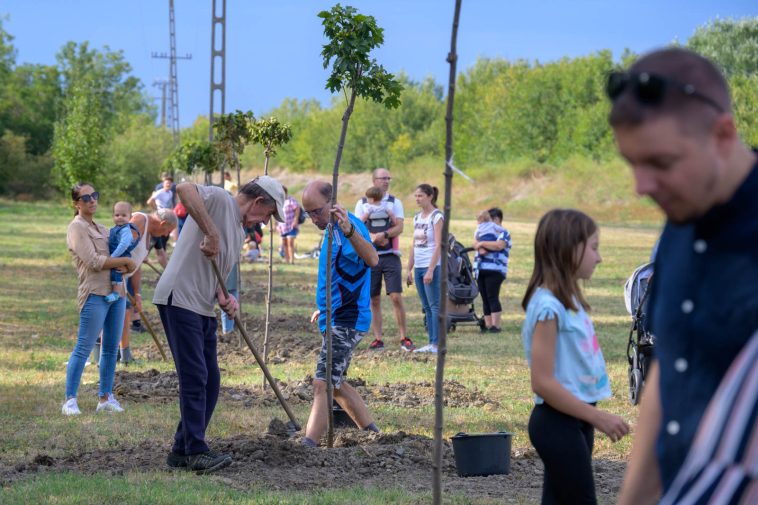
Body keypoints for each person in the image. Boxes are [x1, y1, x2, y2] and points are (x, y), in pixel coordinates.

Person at [608, 48, 758, 505]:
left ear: (723, 134)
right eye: (632, 163)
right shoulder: (680, 226)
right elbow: (667, 377)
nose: (641, 186)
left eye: (661, 163)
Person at [153, 176, 284, 474]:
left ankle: (180, 451)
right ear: (258, 201)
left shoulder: (239, 230)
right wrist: (210, 231)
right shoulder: (222, 200)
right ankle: (196, 451)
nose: (265, 222)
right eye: (267, 214)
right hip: (179, 298)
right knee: (195, 376)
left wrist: (224, 296)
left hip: (201, 305)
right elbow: (184, 189)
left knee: (211, 381)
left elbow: (214, 271)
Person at [521, 208, 629, 504]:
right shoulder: (548, 308)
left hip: (575, 420)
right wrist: (598, 417)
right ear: (569, 249)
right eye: (594, 248)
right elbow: (542, 383)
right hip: (556, 423)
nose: (599, 257)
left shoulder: (568, 303)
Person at [301, 181, 380, 447]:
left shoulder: (348, 227)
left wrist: (348, 230)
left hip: (346, 319)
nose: (312, 218)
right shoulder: (329, 229)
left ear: (332, 204)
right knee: (335, 384)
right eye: (308, 213)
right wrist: (322, 307)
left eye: (316, 211)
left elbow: (372, 259)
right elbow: (337, 274)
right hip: (333, 315)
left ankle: (308, 445)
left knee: (321, 383)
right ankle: (372, 433)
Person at [62, 183, 137, 416]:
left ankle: (105, 398)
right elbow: (94, 261)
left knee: (110, 348)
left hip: (117, 294)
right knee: (84, 347)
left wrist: (126, 263)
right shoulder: (76, 228)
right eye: (86, 198)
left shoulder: (104, 228)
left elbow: (119, 256)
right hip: (94, 293)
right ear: (77, 204)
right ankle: (70, 401)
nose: (92, 200)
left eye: (95, 195)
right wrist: (128, 263)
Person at [354, 168, 414, 352]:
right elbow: (356, 226)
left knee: (395, 296)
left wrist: (384, 234)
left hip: (390, 256)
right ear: (374, 180)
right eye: (383, 178)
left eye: (389, 178)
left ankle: (404, 336)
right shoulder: (362, 203)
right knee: (374, 299)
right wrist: (372, 237)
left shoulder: (395, 202)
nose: (387, 181)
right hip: (370, 256)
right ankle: (377, 338)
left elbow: (400, 227)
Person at [117, 208, 177, 365]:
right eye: (167, 231)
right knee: (114, 318)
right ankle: (108, 355)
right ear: (162, 223)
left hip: (124, 279)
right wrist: (120, 270)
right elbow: (120, 250)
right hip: (113, 278)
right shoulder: (140, 221)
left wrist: (137, 295)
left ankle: (124, 356)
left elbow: (136, 267)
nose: (165, 235)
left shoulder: (150, 235)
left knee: (125, 316)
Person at [406, 184, 444, 354]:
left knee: (434, 305)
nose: (417, 199)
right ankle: (430, 342)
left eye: (420, 195)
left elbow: (438, 245)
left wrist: (430, 270)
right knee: (426, 307)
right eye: (416, 196)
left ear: (430, 196)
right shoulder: (416, 217)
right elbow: (414, 244)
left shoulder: (436, 217)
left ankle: (436, 343)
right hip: (419, 266)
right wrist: (409, 269)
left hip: (432, 266)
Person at [473, 210, 512, 332]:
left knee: (492, 296)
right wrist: (480, 247)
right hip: (480, 268)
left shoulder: (504, 233)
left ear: (498, 220)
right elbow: (474, 242)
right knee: (484, 297)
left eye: (491, 219)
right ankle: (488, 325)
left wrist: (482, 244)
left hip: (495, 269)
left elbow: (498, 245)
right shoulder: (480, 230)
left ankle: (496, 326)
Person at [104, 202, 141, 304]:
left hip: (121, 254)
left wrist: (112, 257)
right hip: (116, 253)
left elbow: (123, 245)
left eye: (124, 215)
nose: (120, 217)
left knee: (117, 272)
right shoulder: (116, 228)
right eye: (117, 215)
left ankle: (116, 293)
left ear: (130, 217)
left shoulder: (126, 230)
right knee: (114, 273)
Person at [148, 174, 175, 267]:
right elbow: (149, 201)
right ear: (163, 184)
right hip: (160, 216)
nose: (168, 185)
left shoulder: (170, 193)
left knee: (165, 236)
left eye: (170, 183)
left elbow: (169, 204)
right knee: (156, 236)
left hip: (167, 216)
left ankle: (162, 253)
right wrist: (156, 209)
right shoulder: (160, 192)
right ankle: (150, 253)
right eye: (166, 183)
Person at [277, 186, 301, 265]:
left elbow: (297, 209)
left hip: (291, 225)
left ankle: (292, 260)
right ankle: (286, 259)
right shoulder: (279, 202)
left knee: (290, 242)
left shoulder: (291, 200)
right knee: (284, 243)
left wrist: (295, 220)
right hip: (282, 226)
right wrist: (277, 225)